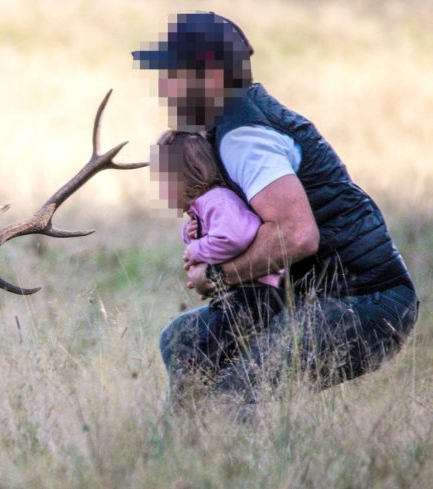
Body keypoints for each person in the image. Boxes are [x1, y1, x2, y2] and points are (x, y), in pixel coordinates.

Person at [133, 12, 420, 408]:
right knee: (181, 341)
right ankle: (179, 453)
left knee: (232, 399)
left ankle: (223, 461)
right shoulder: (232, 123)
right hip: (321, 298)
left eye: (173, 74)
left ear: (212, 76)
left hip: (365, 302)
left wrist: (218, 274)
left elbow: (297, 234)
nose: (164, 87)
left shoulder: (244, 136)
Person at [152, 130, 283, 408]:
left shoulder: (217, 200)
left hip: (252, 296)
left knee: (205, 359)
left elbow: (233, 237)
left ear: (186, 178)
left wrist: (195, 250)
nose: (161, 191)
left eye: (164, 183)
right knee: (199, 350)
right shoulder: (204, 207)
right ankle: (195, 416)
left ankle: (191, 417)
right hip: (238, 298)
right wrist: (190, 236)